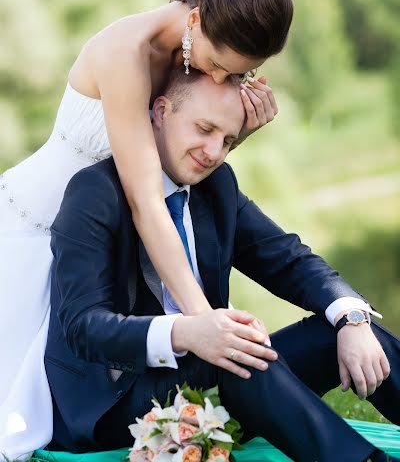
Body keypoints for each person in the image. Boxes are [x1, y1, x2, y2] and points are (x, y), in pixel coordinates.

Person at [0, 0, 293, 457]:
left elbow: (178, 165)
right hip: (32, 229)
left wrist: (237, 133)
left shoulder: (193, 47)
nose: (220, 80)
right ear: (197, 19)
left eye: (238, 75)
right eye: (220, 66)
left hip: (97, 233)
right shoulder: (125, 53)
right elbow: (147, 201)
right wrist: (204, 320)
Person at [44, 69, 399, 462]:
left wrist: (351, 318)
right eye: (204, 128)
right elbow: (84, 327)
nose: (213, 151)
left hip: (218, 377)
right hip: (117, 403)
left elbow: (289, 260)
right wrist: (187, 333)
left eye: (227, 140)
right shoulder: (96, 192)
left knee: (336, 331)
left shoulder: (216, 185)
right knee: (235, 351)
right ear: (160, 112)